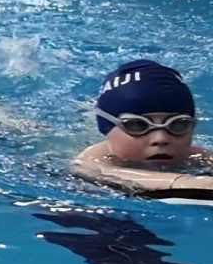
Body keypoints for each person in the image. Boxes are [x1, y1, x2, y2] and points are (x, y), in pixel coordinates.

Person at [73, 60, 213, 192]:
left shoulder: (195, 156)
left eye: (179, 124)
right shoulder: (91, 160)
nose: (161, 138)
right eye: (137, 125)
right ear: (106, 127)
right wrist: (184, 182)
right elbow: (101, 172)